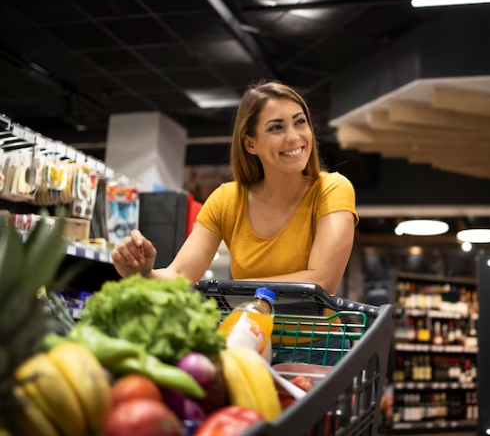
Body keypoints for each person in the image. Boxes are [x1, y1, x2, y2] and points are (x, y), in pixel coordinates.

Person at [112, 81, 358, 365]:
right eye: (276, 127)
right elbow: (179, 273)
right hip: (247, 344)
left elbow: (321, 282)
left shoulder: (332, 189)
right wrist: (144, 274)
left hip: (319, 348)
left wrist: (230, 290)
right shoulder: (227, 199)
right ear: (250, 143)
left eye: (299, 122)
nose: (294, 137)